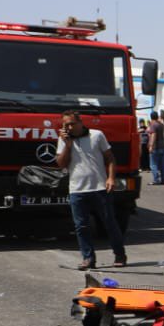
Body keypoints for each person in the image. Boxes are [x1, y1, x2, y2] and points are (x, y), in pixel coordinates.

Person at [54, 109, 127, 271]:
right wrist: (67, 145)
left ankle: (119, 254)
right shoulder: (64, 140)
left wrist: (111, 178)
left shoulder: (97, 135)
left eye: (72, 124)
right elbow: (61, 164)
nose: (69, 127)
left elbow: (110, 158)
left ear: (80, 122)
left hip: (99, 188)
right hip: (77, 189)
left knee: (109, 223)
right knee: (81, 226)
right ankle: (88, 258)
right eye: (66, 125)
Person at [147, 112, 164, 185]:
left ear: (151, 117)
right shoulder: (162, 125)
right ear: (157, 116)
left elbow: (153, 135)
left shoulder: (153, 125)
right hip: (163, 147)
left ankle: (156, 180)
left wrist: (151, 146)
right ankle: (163, 180)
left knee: (153, 164)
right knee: (162, 165)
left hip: (155, 147)